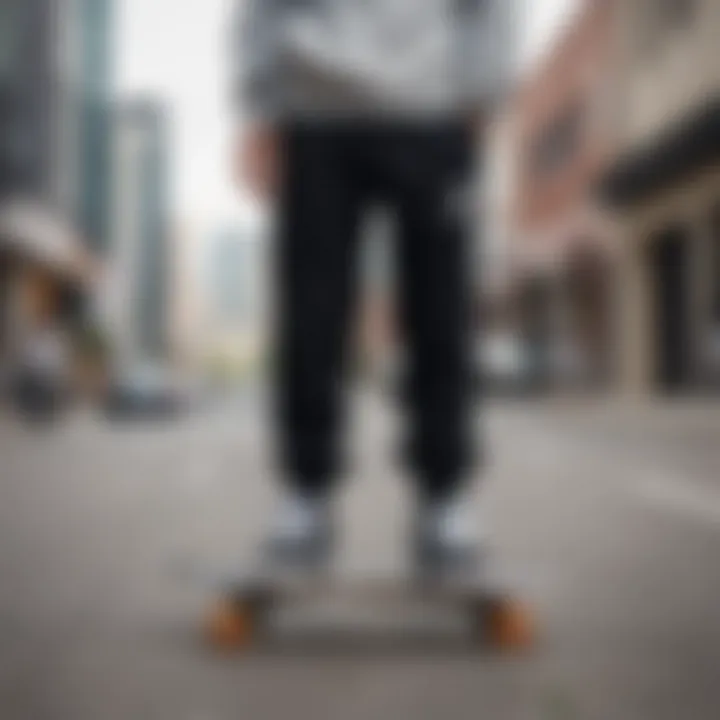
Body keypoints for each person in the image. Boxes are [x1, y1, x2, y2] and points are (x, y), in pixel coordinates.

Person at [232, 0, 515, 577]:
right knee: (310, 317)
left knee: (441, 315)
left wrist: (482, 95)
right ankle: (306, 498)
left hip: (432, 108)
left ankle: (443, 501)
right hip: (316, 111)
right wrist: (260, 111)